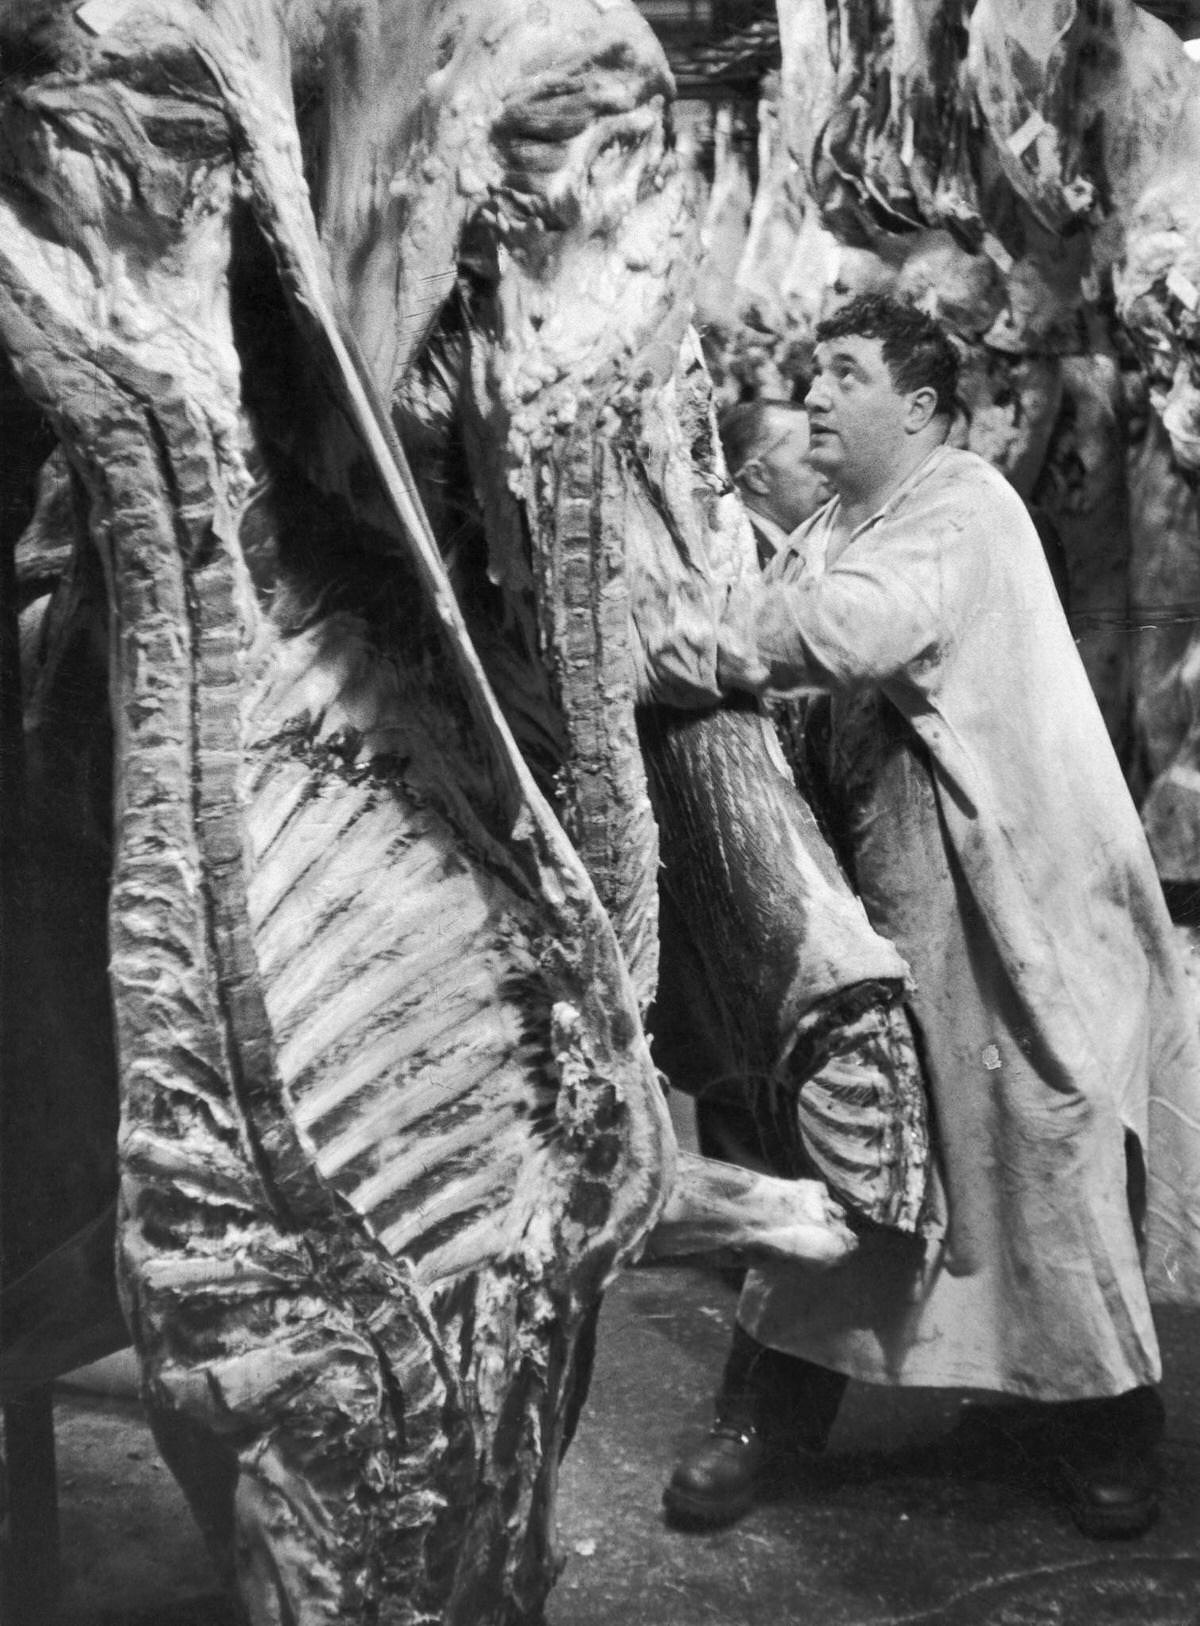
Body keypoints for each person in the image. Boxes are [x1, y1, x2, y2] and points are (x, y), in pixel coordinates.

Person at [659, 293, 1200, 1540]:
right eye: (808, 376)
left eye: (842, 376)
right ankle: (765, 1418)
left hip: (1017, 908)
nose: (813, 401)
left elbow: (851, 630)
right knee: (855, 1149)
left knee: (1036, 1161)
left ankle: (1108, 1424)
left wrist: (668, 639)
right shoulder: (839, 524)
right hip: (899, 903)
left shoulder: (964, 505)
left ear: (920, 406)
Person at [717, 398, 831, 567]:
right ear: (757, 477)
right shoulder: (736, 561)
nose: (829, 478)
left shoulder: (794, 547)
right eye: (813, 464)